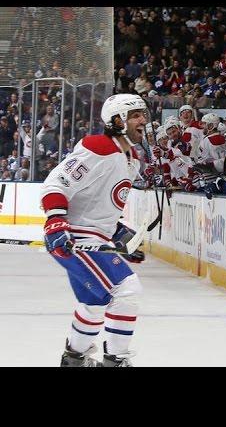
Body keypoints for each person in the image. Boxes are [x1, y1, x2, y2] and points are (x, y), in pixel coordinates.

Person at [40, 93, 149, 367]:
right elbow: (56, 184)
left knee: (94, 301)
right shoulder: (99, 146)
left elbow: (100, 206)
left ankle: (73, 358)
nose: (143, 120)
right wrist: (55, 221)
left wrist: (119, 235)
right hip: (74, 237)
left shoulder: (132, 159)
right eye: (135, 115)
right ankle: (115, 360)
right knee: (126, 288)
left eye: (143, 114)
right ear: (116, 120)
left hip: (92, 236)